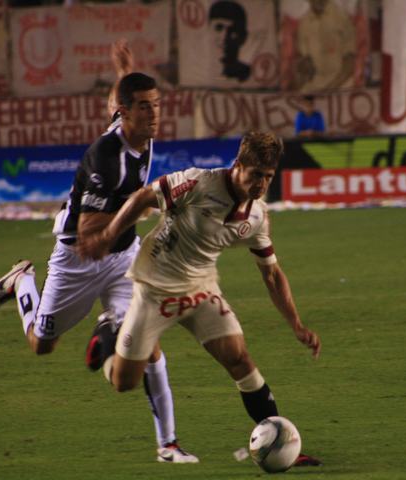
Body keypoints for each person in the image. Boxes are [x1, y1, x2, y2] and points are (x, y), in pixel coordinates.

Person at [0, 72, 198, 464]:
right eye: (144, 106)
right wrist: (143, 206)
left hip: (124, 257)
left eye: (156, 104)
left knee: (147, 347)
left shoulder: (139, 132)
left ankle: (168, 444)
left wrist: (124, 68)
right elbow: (89, 232)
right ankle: (22, 282)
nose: (154, 114)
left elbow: (117, 99)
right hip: (78, 259)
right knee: (42, 344)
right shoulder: (106, 158)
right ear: (127, 112)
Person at [79, 131, 322, 467]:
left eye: (268, 177)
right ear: (238, 165)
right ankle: (108, 330)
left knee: (239, 358)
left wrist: (296, 324)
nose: (261, 184)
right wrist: (108, 234)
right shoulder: (198, 183)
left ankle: (281, 441)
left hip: (200, 289)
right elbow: (143, 197)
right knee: (123, 382)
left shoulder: (257, 216)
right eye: (256, 175)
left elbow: (271, 274)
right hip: (155, 287)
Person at [296, 0, 355, 92]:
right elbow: (306, 63)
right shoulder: (304, 23)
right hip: (315, 86)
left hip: (342, 85)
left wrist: (329, 89)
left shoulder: (341, 18)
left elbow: (350, 63)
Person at [208, 0, 251, 82]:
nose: (224, 37)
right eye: (218, 28)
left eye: (233, 30)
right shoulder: (195, 72)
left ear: (244, 37)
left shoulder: (252, 74)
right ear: (207, 32)